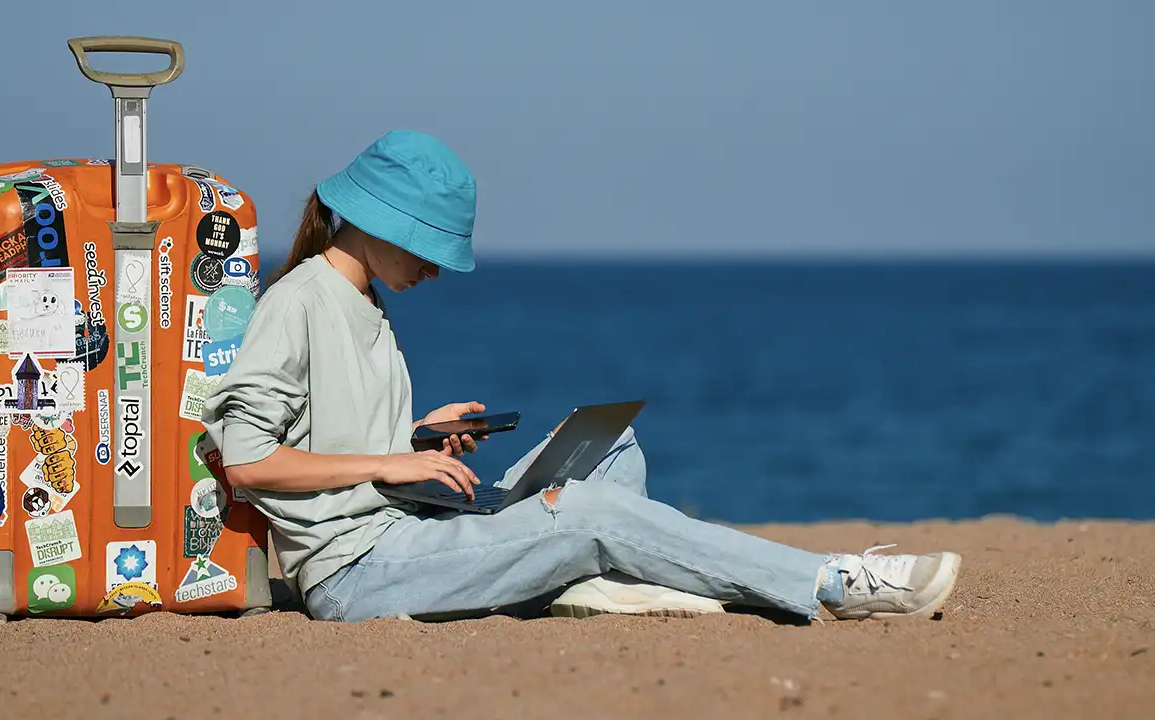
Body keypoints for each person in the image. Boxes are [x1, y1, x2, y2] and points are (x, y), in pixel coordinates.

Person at [200, 129, 963, 623]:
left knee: (609, 447)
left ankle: (581, 582)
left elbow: (328, 433)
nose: (435, 268)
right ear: (377, 223)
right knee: (587, 513)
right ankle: (833, 582)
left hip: (410, 524)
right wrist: (388, 463)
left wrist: (419, 437)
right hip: (359, 570)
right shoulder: (300, 301)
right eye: (428, 247)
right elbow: (249, 460)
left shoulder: (362, 298)